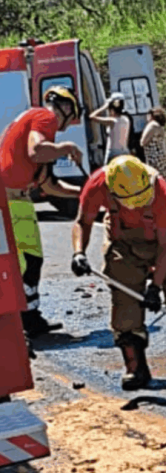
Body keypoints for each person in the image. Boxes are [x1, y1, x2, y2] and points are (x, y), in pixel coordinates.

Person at [70, 155, 166, 390]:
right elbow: (82, 221)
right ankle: (135, 365)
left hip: (159, 238)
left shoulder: (160, 190)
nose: (135, 205)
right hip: (122, 241)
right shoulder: (97, 185)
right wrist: (78, 253)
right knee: (125, 300)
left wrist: (155, 287)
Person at [0, 85, 84, 336]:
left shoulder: (32, 123)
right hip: (11, 202)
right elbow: (35, 151)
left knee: (27, 261)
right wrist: (67, 147)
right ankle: (28, 319)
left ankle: (27, 316)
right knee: (29, 262)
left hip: (16, 201)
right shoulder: (44, 117)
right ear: (67, 108)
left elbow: (49, 184)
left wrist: (84, 193)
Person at [140, 107, 166, 194]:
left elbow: (143, 142)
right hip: (160, 155)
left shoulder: (152, 125)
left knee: (155, 177)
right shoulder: (159, 126)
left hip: (153, 156)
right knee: (165, 176)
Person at [90, 92, 131, 164]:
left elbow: (92, 116)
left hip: (113, 152)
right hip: (124, 151)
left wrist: (104, 107)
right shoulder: (126, 119)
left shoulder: (112, 121)